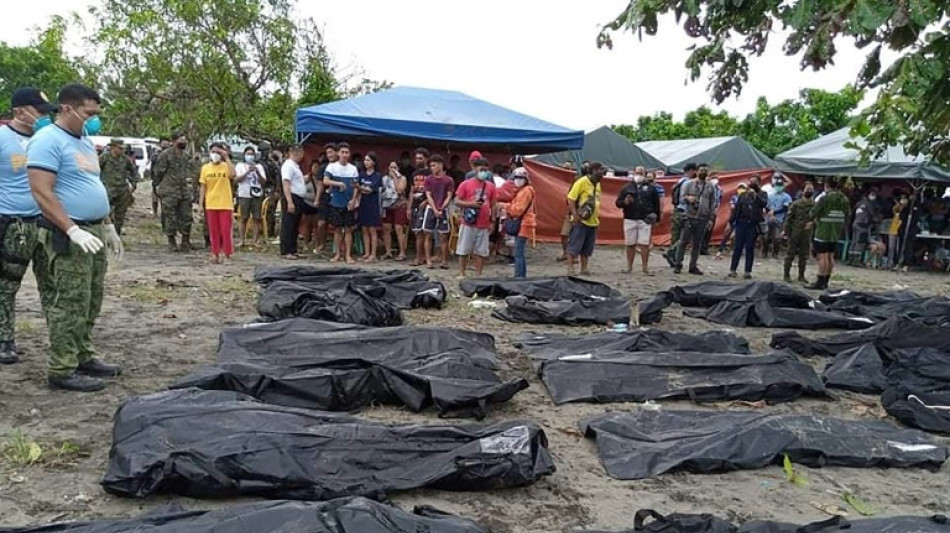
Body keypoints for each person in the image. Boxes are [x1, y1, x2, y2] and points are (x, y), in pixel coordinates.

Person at [27, 83, 123, 392]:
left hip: (93, 230)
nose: (94, 119)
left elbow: (91, 185)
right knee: (70, 302)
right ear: (67, 108)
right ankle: (62, 367)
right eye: (89, 113)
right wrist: (71, 229)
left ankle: (83, 355)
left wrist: (107, 224)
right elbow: (41, 191)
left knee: (91, 298)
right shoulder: (48, 140)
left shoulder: (83, 142)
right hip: (67, 233)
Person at [0, 87, 57, 364]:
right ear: (20, 111)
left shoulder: (47, 140)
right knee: (6, 286)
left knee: (52, 285)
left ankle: (60, 339)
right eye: (39, 111)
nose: (44, 117)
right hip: (13, 224)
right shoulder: (3, 138)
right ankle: (4, 340)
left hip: (46, 222)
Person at [153, 132, 196, 251]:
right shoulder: (165, 155)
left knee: (187, 216)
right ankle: (171, 241)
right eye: (181, 140)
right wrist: (159, 187)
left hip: (184, 191)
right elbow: (158, 172)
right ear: (174, 141)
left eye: (185, 140)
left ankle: (185, 241)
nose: (184, 142)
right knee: (170, 216)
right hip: (169, 190)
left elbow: (190, 172)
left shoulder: (186, 156)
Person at [454, 157, 496, 277]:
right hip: (468, 221)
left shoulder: (490, 186)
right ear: (475, 168)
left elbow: (493, 204)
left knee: (481, 251)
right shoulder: (465, 184)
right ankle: (462, 273)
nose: (484, 172)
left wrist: (493, 221)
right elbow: (457, 200)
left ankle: (478, 274)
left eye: (486, 170)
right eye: (481, 169)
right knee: (463, 248)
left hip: (484, 223)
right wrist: (471, 204)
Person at [806, 177, 850, 290]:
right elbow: (848, 214)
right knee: (830, 256)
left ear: (826, 185)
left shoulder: (825, 198)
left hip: (823, 230)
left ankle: (820, 281)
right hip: (836, 231)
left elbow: (813, 212)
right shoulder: (844, 199)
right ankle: (826, 281)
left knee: (822, 256)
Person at [672, 163, 716, 275]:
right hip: (689, 216)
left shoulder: (710, 186)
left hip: (703, 218)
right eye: (701, 170)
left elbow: (713, 203)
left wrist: (711, 218)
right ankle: (678, 264)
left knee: (697, 243)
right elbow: (681, 198)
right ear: (697, 171)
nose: (703, 172)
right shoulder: (689, 183)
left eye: (705, 170)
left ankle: (693, 266)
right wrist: (688, 198)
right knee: (683, 241)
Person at [616, 168, 660, 275]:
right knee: (630, 243)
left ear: (645, 174)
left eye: (641, 173)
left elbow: (656, 204)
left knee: (644, 244)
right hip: (629, 218)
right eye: (637, 173)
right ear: (634, 173)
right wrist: (625, 202)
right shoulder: (626, 187)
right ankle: (629, 267)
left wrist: (657, 219)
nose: (639, 175)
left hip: (645, 219)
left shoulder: (651, 188)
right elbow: (618, 203)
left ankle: (645, 268)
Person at [198, 143, 236, 263]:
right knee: (213, 231)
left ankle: (227, 254)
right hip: (211, 203)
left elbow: (233, 174)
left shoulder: (226, 166)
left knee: (225, 231)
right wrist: (200, 204)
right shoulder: (205, 168)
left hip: (225, 203)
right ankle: (215, 254)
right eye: (213, 152)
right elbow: (203, 187)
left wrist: (226, 157)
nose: (215, 154)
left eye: (218, 152)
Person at [323, 142, 360, 263]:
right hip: (336, 202)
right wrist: (338, 183)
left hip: (348, 204)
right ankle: (337, 254)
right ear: (338, 153)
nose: (345, 155)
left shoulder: (353, 168)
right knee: (337, 230)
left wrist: (353, 200)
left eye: (347, 152)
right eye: (343, 152)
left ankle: (348, 255)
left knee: (348, 230)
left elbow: (356, 186)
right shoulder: (332, 167)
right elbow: (325, 180)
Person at [565, 162, 603, 276]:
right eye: (600, 170)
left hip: (593, 220)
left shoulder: (598, 184)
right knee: (574, 245)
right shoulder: (581, 182)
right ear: (593, 171)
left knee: (587, 248)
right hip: (581, 220)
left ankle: (584, 268)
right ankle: (570, 268)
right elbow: (570, 198)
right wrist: (575, 214)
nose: (602, 173)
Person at [98, 139, 137, 237]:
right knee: (106, 214)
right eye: (120, 148)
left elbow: (134, 171)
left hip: (122, 191)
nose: (122, 150)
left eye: (123, 148)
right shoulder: (104, 158)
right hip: (107, 190)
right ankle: (106, 236)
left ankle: (116, 235)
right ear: (113, 148)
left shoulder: (125, 159)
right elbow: (94, 170)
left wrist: (134, 184)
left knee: (120, 216)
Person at [728, 182, 767, 278]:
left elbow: (763, 204)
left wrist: (755, 196)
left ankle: (747, 271)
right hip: (741, 224)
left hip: (752, 225)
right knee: (737, 247)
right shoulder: (742, 196)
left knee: (750, 248)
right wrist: (731, 222)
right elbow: (737, 209)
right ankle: (733, 269)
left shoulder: (762, 195)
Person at [422, 154, 454, 269]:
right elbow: (428, 195)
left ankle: (444, 260)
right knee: (427, 234)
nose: (432, 168)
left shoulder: (448, 180)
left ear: (440, 165)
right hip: (431, 209)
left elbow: (449, 196)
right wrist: (435, 209)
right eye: (431, 166)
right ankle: (428, 260)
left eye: (434, 165)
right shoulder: (429, 179)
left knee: (443, 236)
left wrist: (441, 208)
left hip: (443, 209)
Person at [663, 163, 697, 266]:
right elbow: (683, 198)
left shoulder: (680, 181)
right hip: (684, 211)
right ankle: (672, 253)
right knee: (685, 236)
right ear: (691, 171)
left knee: (675, 235)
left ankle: (674, 258)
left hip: (677, 209)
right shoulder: (689, 182)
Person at [506, 168, 536, 278]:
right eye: (516, 178)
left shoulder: (525, 191)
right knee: (519, 253)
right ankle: (521, 276)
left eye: (520, 178)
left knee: (518, 253)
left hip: (524, 223)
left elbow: (518, 210)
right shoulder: (522, 191)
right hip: (524, 223)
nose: (517, 180)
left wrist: (506, 207)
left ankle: (519, 277)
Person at [234, 146, 267, 248]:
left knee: (257, 218)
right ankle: (242, 240)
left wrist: (257, 172)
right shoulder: (240, 165)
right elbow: (237, 179)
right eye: (248, 154)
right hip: (244, 194)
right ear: (244, 155)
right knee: (243, 218)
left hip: (257, 194)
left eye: (252, 154)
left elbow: (263, 181)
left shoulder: (259, 166)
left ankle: (255, 241)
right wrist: (247, 172)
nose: (250, 156)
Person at [279, 144, 307, 260]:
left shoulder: (296, 166)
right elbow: (286, 183)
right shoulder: (288, 165)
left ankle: (293, 249)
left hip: (298, 197)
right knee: (288, 224)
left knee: (295, 224)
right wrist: (289, 201)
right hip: (291, 196)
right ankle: (286, 251)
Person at [783, 182, 815, 283]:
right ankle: (786, 274)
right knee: (790, 253)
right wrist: (785, 231)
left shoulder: (814, 205)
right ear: (803, 190)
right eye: (807, 189)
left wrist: (813, 223)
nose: (809, 191)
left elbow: (817, 217)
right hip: (795, 232)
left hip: (807, 233)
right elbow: (789, 218)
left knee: (804, 255)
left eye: (811, 189)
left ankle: (801, 276)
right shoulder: (796, 204)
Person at [357, 153, 383, 262]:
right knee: (364, 229)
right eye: (365, 160)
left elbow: (370, 190)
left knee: (372, 230)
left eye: (368, 160)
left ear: (374, 162)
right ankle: (367, 253)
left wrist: (359, 187)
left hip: (373, 205)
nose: (366, 162)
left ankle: (373, 254)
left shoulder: (377, 176)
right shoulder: (361, 174)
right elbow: (358, 190)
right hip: (363, 204)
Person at [380, 161, 408, 261]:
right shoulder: (384, 179)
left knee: (399, 229)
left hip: (399, 205)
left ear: (398, 169)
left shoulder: (402, 178)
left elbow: (399, 190)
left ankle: (402, 252)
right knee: (386, 228)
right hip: (387, 205)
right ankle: (388, 252)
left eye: (394, 167)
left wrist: (395, 178)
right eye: (391, 167)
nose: (392, 169)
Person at [408, 148, 430, 266]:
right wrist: (409, 208)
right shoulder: (414, 174)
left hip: (426, 205)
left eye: (420, 158)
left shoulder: (430, 173)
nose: (418, 160)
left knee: (425, 233)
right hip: (415, 205)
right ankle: (418, 257)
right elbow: (411, 191)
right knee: (417, 232)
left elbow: (434, 191)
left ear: (426, 159)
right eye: (416, 158)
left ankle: (425, 257)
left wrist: (426, 201)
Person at [763, 179, 792, 259]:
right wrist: (769, 212)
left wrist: (774, 212)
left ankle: (775, 254)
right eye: (777, 185)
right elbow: (766, 206)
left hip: (779, 219)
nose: (779, 187)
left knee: (777, 238)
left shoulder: (786, 197)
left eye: (780, 186)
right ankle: (764, 253)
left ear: (783, 187)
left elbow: (785, 208)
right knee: (766, 237)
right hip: (769, 218)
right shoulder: (770, 195)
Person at [849, 192, 875, 266]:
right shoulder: (869, 204)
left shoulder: (858, 203)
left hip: (855, 224)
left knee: (853, 242)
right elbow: (872, 215)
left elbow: (852, 213)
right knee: (860, 242)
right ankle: (856, 261)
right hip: (862, 225)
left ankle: (850, 259)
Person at [149, 136, 170, 217]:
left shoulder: (170, 153)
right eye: (164, 144)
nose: (165, 145)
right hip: (156, 178)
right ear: (160, 144)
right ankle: (155, 212)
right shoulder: (156, 153)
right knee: (154, 197)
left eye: (167, 144)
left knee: (165, 197)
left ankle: (164, 213)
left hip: (166, 178)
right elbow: (153, 163)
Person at [886, 193, 908, 269]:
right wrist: (899, 204)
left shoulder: (906, 211)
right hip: (893, 230)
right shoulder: (896, 209)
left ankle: (898, 263)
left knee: (898, 249)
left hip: (900, 231)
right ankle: (889, 264)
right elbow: (894, 209)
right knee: (891, 248)